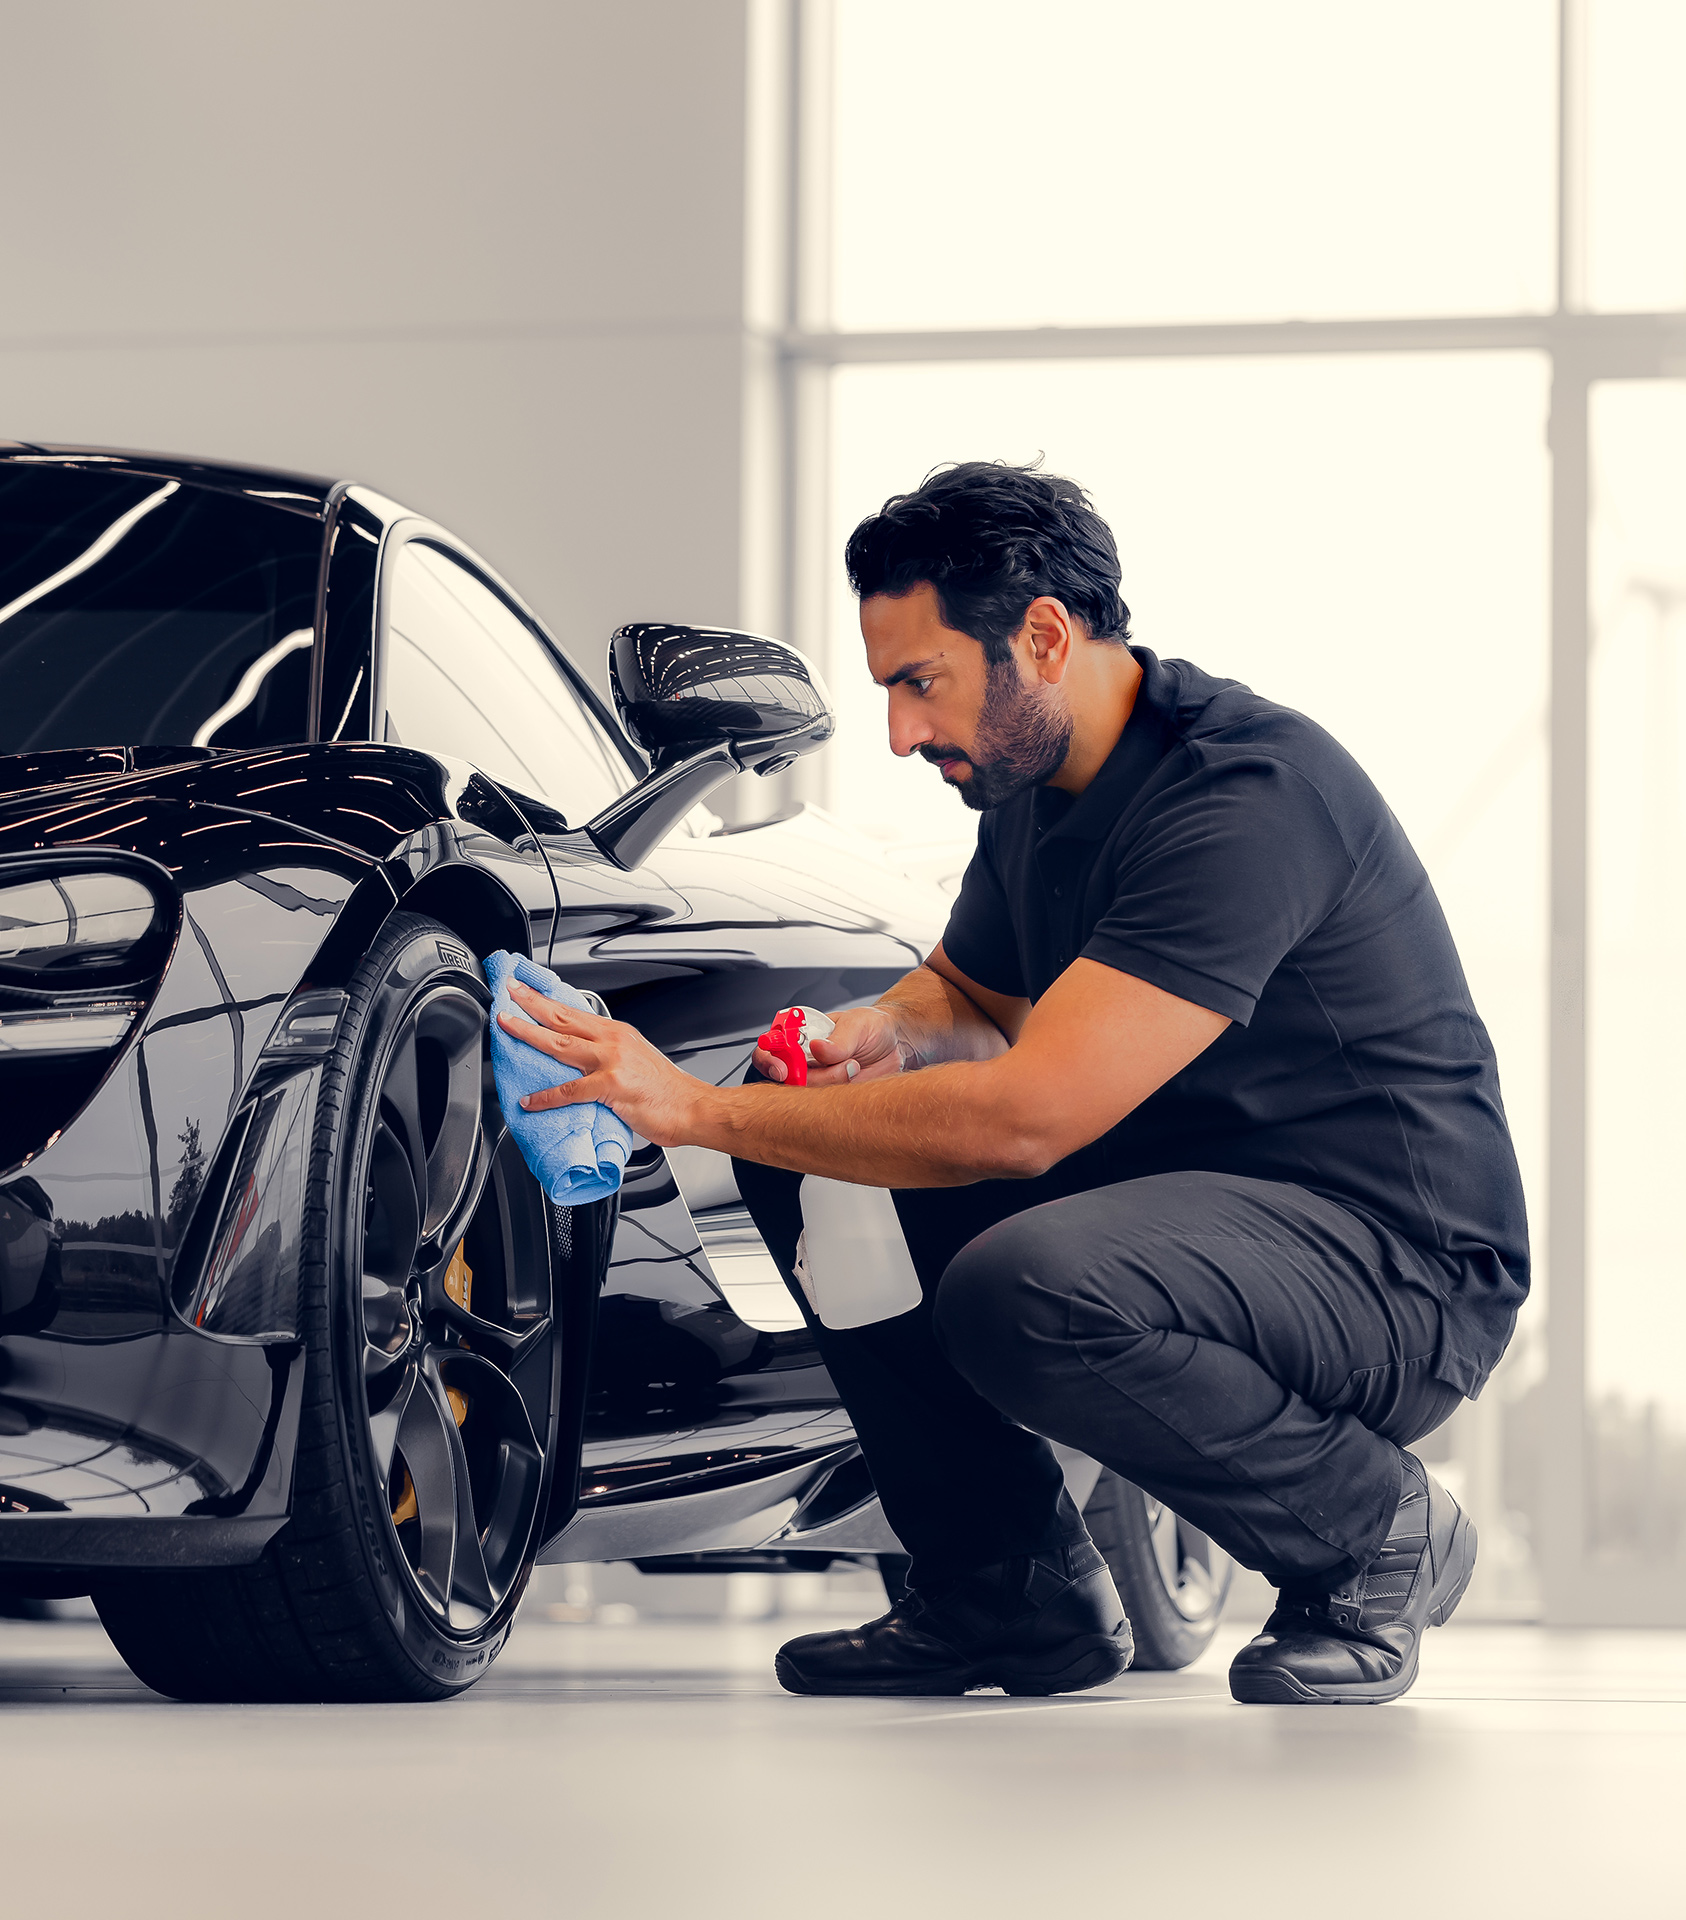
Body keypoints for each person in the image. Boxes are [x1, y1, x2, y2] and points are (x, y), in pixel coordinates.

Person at [499, 462, 1530, 1706]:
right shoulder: (1035, 788)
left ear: (1041, 636)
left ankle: (1372, 1539)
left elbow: (1029, 1117)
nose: (900, 734)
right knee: (813, 1152)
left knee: (1021, 1286)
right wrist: (871, 1031)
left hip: (1393, 1268)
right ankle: (1004, 1594)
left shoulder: (1244, 798)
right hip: (1199, 1211)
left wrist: (690, 1108)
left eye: (918, 683)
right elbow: (970, 994)